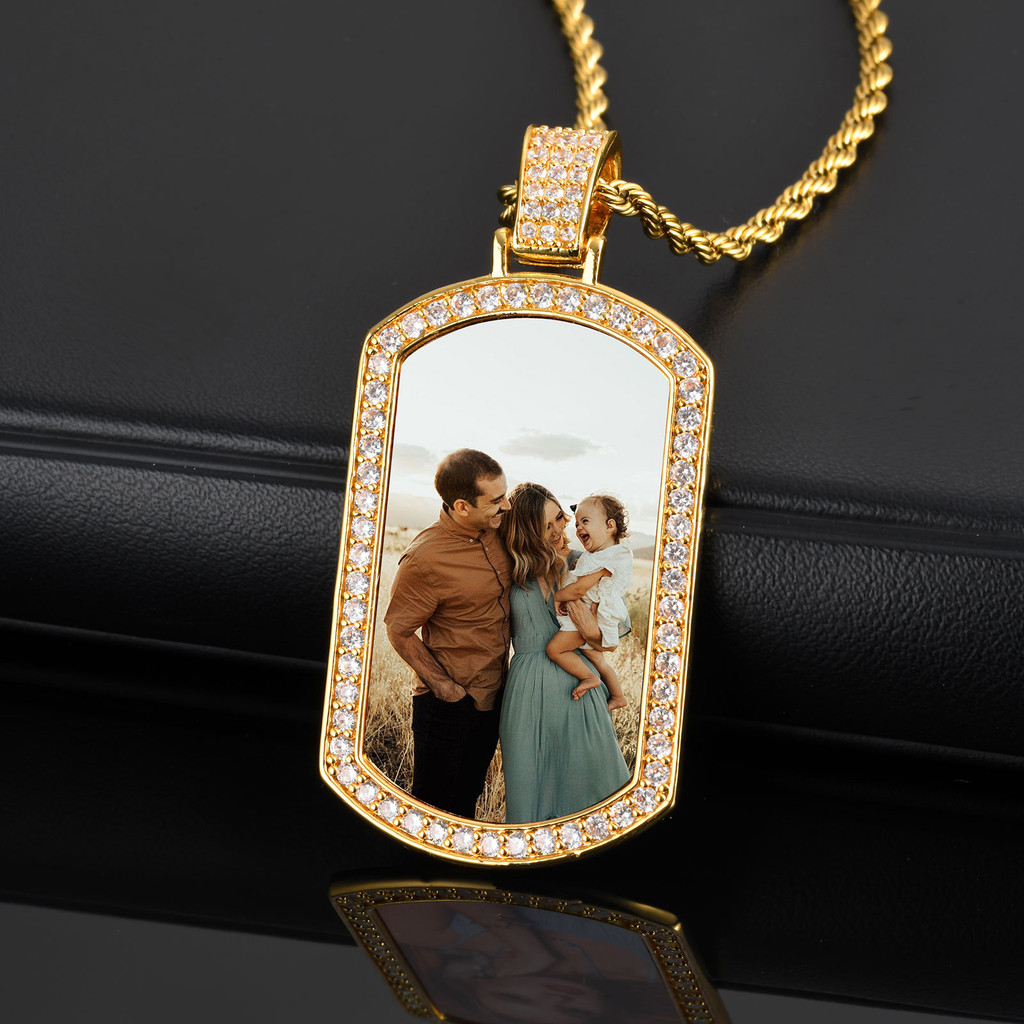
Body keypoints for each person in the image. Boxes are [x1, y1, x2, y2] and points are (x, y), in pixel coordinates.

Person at [384, 448, 512, 819]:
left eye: (505, 494)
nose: (506, 506)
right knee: (433, 811)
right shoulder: (424, 558)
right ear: (461, 507)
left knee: (466, 804)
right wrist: (445, 688)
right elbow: (398, 629)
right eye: (496, 500)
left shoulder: (499, 530)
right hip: (449, 707)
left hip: (494, 698)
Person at [498, 483, 630, 824]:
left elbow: (608, 639)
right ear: (527, 531)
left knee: (597, 799)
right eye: (546, 526)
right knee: (529, 801)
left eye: (559, 518)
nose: (559, 531)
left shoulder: (584, 563)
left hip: (578, 691)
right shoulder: (508, 567)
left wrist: (588, 628)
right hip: (526, 695)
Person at [547, 494, 632, 711]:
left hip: (588, 616)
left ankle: (588, 678)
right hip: (587, 613)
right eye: (576, 523)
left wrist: (558, 596)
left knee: (555, 650)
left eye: (585, 521)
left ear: (609, 526)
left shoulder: (609, 558)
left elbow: (579, 589)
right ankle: (618, 696)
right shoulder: (597, 555)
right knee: (598, 661)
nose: (578, 528)